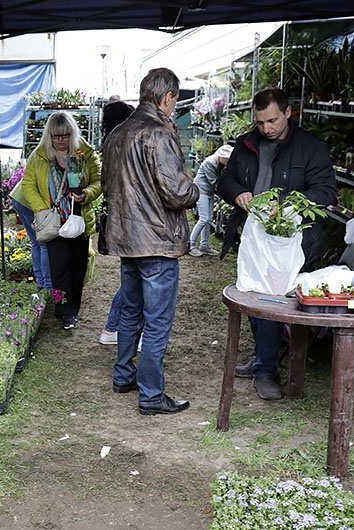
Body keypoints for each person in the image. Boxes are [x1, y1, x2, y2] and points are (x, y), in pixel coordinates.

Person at [217, 87, 337, 401]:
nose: (266, 128)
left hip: (289, 242)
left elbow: (325, 193)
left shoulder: (311, 148)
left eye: (272, 121)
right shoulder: (246, 144)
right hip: (253, 239)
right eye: (260, 123)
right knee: (254, 297)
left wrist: (283, 203)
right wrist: (238, 192)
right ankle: (263, 360)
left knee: (269, 300)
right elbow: (225, 181)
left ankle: (265, 369)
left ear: (288, 113)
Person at [102, 67, 198, 416]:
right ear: (168, 97)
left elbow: (108, 183)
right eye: (175, 100)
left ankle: (123, 375)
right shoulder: (159, 133)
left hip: (127, 239)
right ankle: (151, 394)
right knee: (157, 321)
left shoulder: (117, 133)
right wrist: (196, 189)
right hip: (156, 240)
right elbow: (177, 192)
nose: (174, 106)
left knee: (130, 312)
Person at [22, 111, 101, 330]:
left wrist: (86, 193)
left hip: (78, 219)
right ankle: (64, 310)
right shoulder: (39, 156)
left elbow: (99, 181)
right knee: (59, 267)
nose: (60, 140)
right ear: (49, 135)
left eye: (64, 135)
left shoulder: (85, 153)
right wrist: (43, 209)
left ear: (72, 134)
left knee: (77, 266)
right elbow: (28, 185)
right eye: (56, 136)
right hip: (53, 220)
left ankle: (73, 307)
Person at [97, 95, 135, 345]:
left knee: (133, 278)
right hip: (130, 221)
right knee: (135, 280)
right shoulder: (121, 145)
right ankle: (112, 329)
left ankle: (113, 329)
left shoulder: (110, 143)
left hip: (123, 220)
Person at [188, 144, 233, 257]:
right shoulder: (209, 163)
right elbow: (214, 183)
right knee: (204, 219)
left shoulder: (220, 164)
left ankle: (204, 245)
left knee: (208, 220)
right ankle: (190, 245)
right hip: (201, 192)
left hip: (209, 193)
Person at [9, 181, 52, 290]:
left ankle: (40, 282)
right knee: (43, 243)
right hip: (28, 200)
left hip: (18, 197)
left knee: (36, 241)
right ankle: (47, 285)